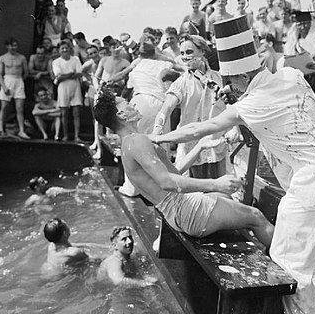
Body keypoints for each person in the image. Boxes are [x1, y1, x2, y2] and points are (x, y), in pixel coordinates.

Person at [150, 65, 315, 314]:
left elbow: (198, 129)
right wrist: (239, 102)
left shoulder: (251, 104)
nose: (228, 87)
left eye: (231, 80)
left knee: (289, 266)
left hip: (314, 188)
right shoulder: (291, 74)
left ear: (243, 76)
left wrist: (158, 138)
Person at [93, 85, 275, 251]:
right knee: (255, 216)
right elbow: (167, 182)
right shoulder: (136, 141)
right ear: (121, 114)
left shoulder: (128, 145)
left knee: (226, 197)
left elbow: (173, 174)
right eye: (126, 102)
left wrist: (199, 147)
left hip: (178, 214)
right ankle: (289, 265)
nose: (133, 103)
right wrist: (215, 183)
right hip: (187, 210)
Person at [152, 35, 228, 179]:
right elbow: (166, 108)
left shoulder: (219, 79)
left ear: (203, 52)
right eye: (182, 53)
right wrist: (157, 129)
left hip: (216, 146)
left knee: (218, 191)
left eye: (189, 52)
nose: (185, 57)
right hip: (190, 149)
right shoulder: (181, 83)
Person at [0, 37, 30, 139]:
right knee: (4, 107)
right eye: (12, 45)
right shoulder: (2, 58)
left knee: (19, 108)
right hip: (7, 81)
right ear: (7, 46)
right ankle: (1, 129)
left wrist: (19, 81)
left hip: (19, 81)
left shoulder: (22, 58)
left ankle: (21, 131)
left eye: (16, 45)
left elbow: (26, 73)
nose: (14, 48)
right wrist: (4, 86)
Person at [52, 41, 83, 142]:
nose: (65, 50)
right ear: (59, 50)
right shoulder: (56, 62)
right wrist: (70, 73)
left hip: (75, 86)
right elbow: (58, 76)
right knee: (64, 113)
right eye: (62, 48)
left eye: (66, 48)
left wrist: (64, 76)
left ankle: (76, 136)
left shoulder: (76, 59)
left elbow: (79, 74)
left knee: (76, 112)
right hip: (62, 87)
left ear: (70, 49)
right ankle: (65, 135)